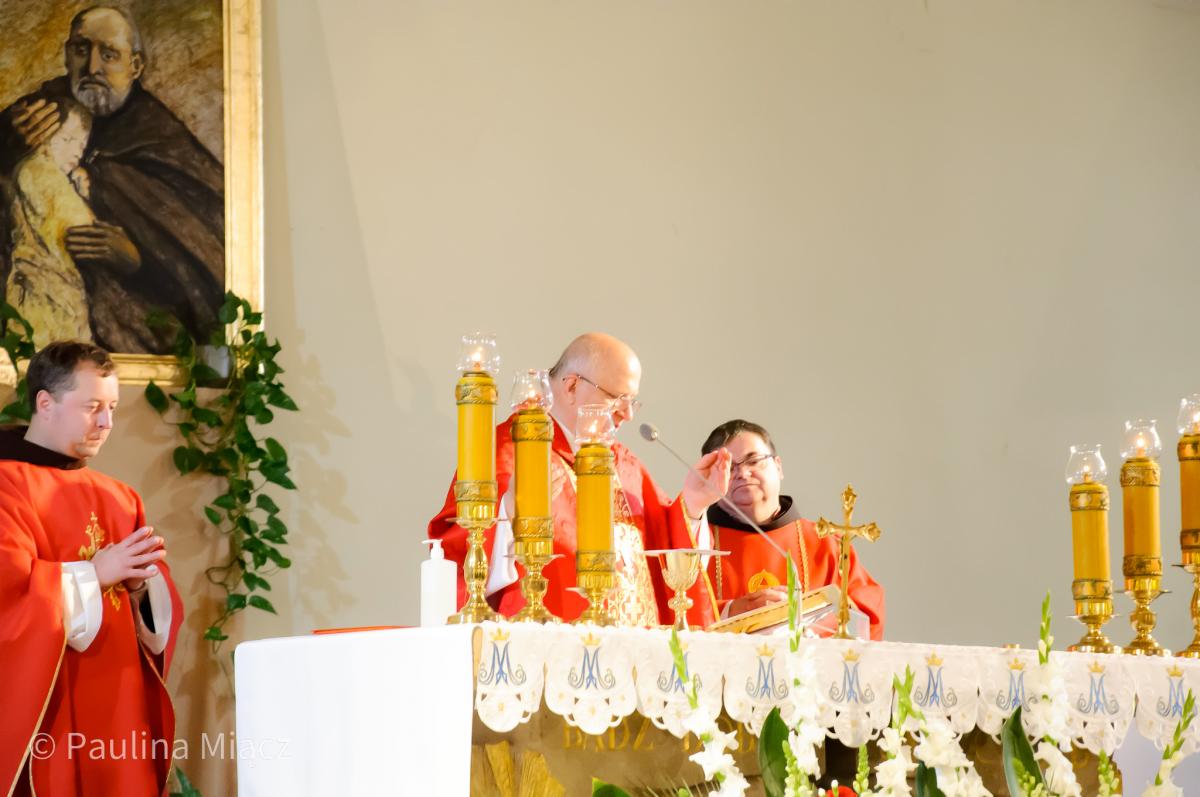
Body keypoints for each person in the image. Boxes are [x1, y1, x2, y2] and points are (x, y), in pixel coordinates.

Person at [429, 332, 731, 626]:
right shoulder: (512, 452)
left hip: (636, 649)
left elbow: (664, 551)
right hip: (553, 646)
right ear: (572, 385)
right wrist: (508, 512)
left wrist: (693, 506)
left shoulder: (624, 465)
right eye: (618, 398)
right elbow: (456, 554)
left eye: (633, 402)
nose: (627, 415)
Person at [0, 341, 183, 796]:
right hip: (49, 709)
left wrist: (140, 587)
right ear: (46, 403)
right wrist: (94, 576)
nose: (107, 423)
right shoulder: (6, 485)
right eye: (92, 407)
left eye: (112, 407)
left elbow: (155, 622)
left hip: (118, 705)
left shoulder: (120, 497)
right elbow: (8, 595)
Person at [0, 5, 224, 354]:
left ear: (135, 66)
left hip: (130, 334)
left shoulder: (159, 136)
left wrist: (138, 259)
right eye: (81, 50)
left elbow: (210, 256)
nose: (92, 67)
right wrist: (5, 151)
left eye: (109, 55)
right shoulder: (34, 114)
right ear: (66, 55)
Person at [701, 419, 885, 640]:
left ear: (778, 466)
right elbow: (672, 612)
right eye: (728, 467)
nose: (743, 473)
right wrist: (730, 612)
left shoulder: (826, 543)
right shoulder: (694, 545)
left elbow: (867, 613)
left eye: (754, 461)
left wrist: (809, 628)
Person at [5, 98, 95, 346]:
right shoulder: (40, 170)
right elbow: (81, 226)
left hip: (54, 285)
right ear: (42, 137)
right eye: (67, 139)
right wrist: (83, 198)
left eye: (82, 144)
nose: (76, 151)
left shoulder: (47, 174)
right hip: (43, 287)